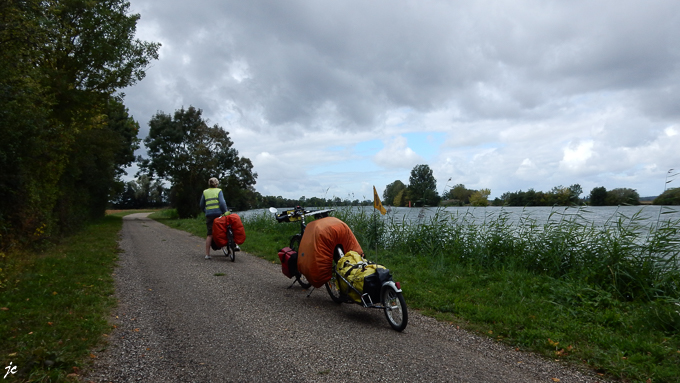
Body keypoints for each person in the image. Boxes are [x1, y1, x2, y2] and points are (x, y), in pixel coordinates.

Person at [199, 177, 229, 259]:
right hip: (219, 214)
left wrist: (206, 211)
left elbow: (201, 204)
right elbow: (222, 203)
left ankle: (207, 254)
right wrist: (225, 211)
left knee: (209, 234)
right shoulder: (219, 191)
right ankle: (231, 245)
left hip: (209, 215)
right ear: (216, 184)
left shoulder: (205, 192)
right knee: (224, 228)